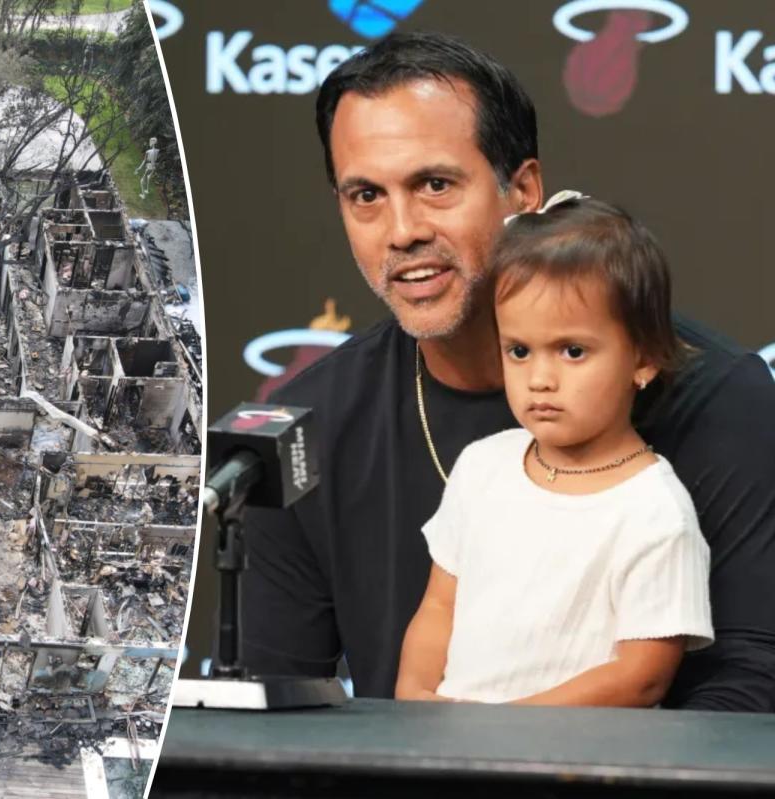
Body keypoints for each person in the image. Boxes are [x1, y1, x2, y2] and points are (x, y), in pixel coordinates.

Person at [240, 31, 775, 711]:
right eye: (365, 195)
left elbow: (750, 695)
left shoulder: (721, 398)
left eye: (434, 185)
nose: (401, 230)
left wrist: (510, 750)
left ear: (522, 190)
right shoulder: (300, 430)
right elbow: (274, 715)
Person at [395, 195, 713, 706]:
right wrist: (414, 696)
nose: (540, 379)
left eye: (573, 351)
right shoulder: (482, 466)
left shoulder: (655, 512)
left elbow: (642, 674)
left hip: (566, 753)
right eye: (519, 351)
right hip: (451, 743)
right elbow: (439, 607)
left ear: (644, 358)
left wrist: (507, 726)